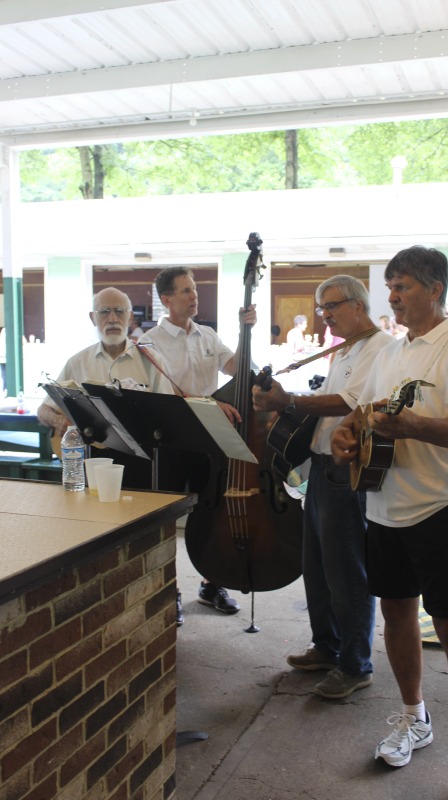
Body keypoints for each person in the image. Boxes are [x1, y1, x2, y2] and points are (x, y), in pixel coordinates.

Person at [330, 247, 448, 800]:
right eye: (390, 287)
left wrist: (413, 427)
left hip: (443, 505)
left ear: (435, 288)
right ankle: (414, 720)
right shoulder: (390, 352)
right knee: (395, 615)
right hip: (383, 504)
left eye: (402, 286)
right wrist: (346, 437)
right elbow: (362, 416)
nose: (393, 297)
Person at [252, 275, 391, 699]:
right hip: (321, 469)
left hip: (343, 472)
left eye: (330, 306)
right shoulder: (345, 348)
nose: (324, 315)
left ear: (358, 305)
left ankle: (354, 665)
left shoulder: (381, 349)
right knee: (317, 565)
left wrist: (287, 402)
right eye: (320, 307)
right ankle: (327, 647)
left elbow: (350, 403)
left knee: (346, 569)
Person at [138, 266, 257, 616]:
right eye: (186, 291)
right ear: (166, 300)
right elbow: (168, 391)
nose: (195, 296)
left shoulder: (207, 335)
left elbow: (237, 367)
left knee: (215, 514)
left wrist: (244, 333)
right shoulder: (149, 342)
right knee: (167, 519)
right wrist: (210, 403)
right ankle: (168, 589)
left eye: (194, 290)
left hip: (212, 440)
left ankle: (212, 584)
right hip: (172, 443)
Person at [37, 287, 174, 442]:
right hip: (92, 455)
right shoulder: (77, 362)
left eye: (119, 311)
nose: (112, 319)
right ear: (92, 318)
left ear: (130, 317)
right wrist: (58, 421)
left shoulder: (151, 361)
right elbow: (44, 409)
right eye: (104, 312)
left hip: (142, 455)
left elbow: (170, 415)